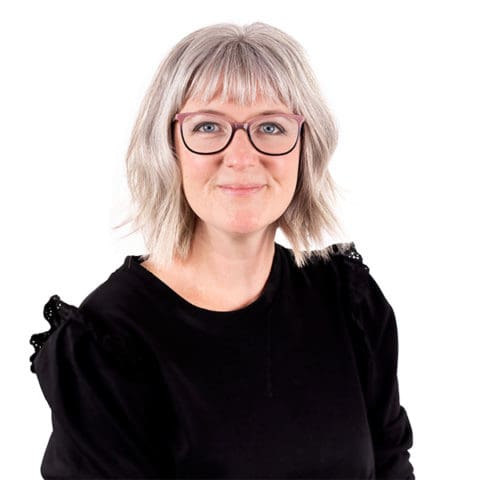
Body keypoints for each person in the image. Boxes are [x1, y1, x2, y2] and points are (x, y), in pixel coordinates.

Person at [29, 22, 415, 479]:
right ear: (168, 146)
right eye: (209, 126)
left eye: (270, 126)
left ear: (304, 146)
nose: (241, 157)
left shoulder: (347, 302)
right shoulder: (107, 344)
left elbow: (391, 465)